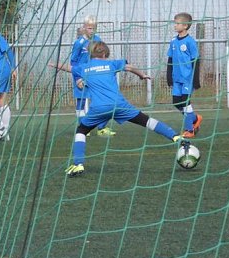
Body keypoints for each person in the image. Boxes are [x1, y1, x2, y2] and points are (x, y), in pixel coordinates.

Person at [64, 41, 184, 177]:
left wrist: (54, 65)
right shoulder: (111, 64)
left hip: (98, 108)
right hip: (119, 105)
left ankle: (78, 163)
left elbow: (69, 68)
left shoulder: (84, 68)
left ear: (91, 53)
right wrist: (142, 75)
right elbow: (129, 67)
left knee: (81, 131)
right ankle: (175, 137)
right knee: (146, 121)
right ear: (105, 53)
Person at [167, 12, 203, 139]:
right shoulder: (173, 42)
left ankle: (190, 130)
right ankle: (195, 118)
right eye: (175, 23)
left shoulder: (190, 42)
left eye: (177, 23)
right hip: (177, 78)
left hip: (187, 78)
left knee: (185, 102)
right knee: (177, 103)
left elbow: (196, 61)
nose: (175, 25)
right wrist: (169, 76)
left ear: (186, 26)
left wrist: (195, 80)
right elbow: (170, 60)